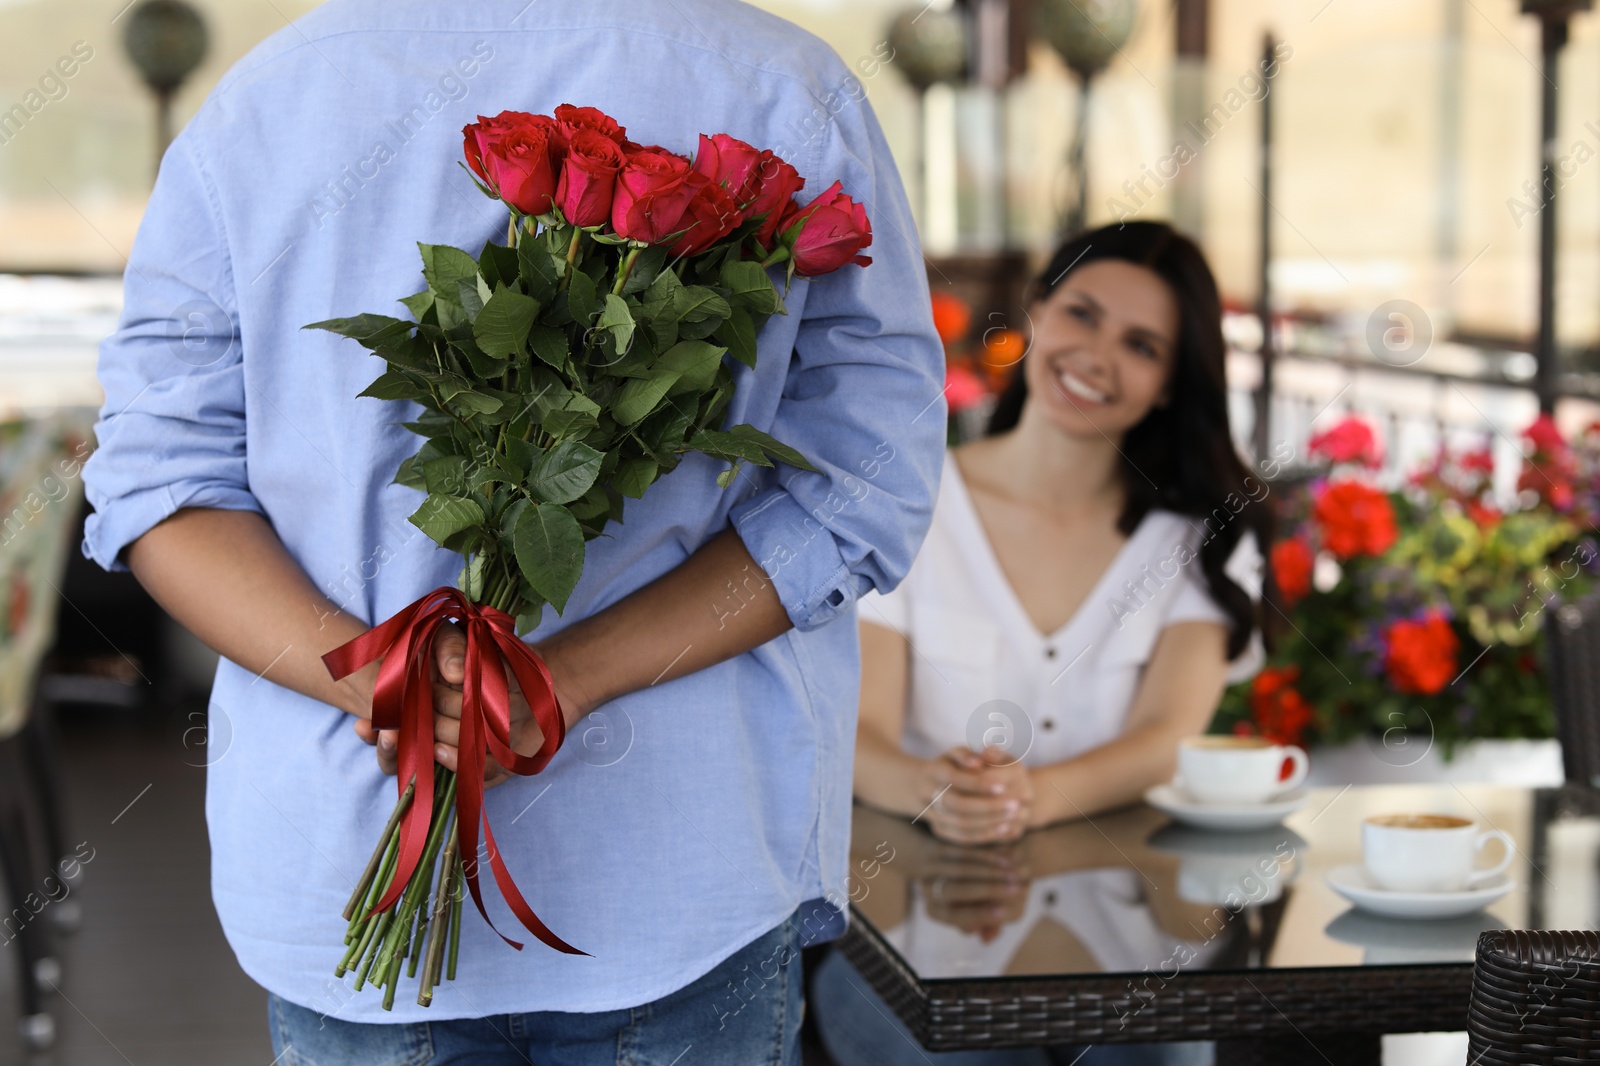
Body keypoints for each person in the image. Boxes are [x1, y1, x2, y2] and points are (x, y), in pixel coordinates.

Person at [78, 1, 945, 1062]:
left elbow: (158, 484)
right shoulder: (788, 87)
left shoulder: (264, 98)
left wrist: (375, 679)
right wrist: (562, 679)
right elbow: (864, 481)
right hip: (678, 867)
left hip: (347, 838)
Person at [812, 221, 1270, 1065]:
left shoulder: (1201, 540)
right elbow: (861, 732)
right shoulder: (912, 504)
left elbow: (1168, 739)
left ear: (1172, 382)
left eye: (1142, 345)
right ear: (1036, 311)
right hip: (915, 942)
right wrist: (931, 785)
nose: (1096, 355)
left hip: (1135, 951)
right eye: (1082, 314)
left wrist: (1030, 797)